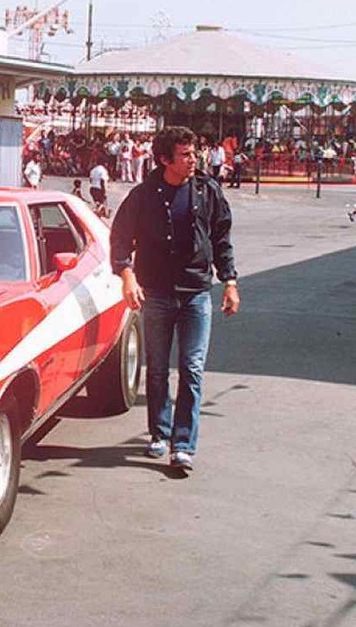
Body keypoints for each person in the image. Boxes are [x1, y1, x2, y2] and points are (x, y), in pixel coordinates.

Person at [110, 126, 240, 471]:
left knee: (192, 369)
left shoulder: (208, 191)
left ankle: (183, 444)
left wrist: (229, 281)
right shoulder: (143, 196)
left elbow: (222, 237)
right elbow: (120, 237)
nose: (193, 159)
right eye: (185, 154)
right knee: (156, 369)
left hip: (197, 292)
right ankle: (159, 433)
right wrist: (127, 275)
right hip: (157, 293)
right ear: (165, 159)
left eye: (194, 153)